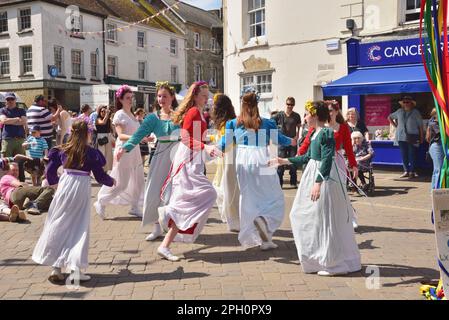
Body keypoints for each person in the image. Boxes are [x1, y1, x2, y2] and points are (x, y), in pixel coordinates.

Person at [269, 101, 361, 276]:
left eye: (307, 114)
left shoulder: (326, 133)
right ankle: (317, 258)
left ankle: (331, 263)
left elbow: (326, 160)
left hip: (323, 177)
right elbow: (307, 157)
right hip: (312, 173)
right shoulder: (315, 133)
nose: (304, 117)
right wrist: (284, 161)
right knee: (302, 214)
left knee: (325, 217)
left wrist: (318, 183)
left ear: (316, 115)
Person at [32, 120, 115, 283]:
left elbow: (50, 170)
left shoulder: (62, 150)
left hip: (65, 185)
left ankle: (55, 268)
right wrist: (111, 181)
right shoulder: (91, 153)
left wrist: (54, 182)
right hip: (81, 187)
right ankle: (75, 269)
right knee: (79, 227)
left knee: (58, 222)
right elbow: (99, 175)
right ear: (88, 134)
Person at [220, 91, 296, 250]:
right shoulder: (267, 123)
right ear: (257, 104)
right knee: (273, 196)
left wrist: (206, 150)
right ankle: (265, 221)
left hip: (242, 161)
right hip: (262, 158)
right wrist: (292, 141)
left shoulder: (233, 124)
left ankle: (262, 238)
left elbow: (224, 144)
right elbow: (278, 140)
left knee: (248, 198)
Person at [156, 81, 221, 261]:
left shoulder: (200, 113)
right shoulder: (193, 111)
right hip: (187, 159)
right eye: (203, 95)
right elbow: (185, 138)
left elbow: (196, 137)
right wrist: (206, 147)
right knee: (202, 195)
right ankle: (167, 219)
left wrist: (209, 146)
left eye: (207, 95)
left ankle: (166, 242)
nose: (206, 98)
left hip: (194, 159)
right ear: (195, 96)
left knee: (191, 198)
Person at [116, 82, 180, 242]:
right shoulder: (153, 118)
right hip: (160, 157)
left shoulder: (179, 115)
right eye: (159, 96)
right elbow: (139, 134)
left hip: (177, 156)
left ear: (172, 97)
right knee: (153, 191)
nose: (161, 99)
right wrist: (125, 148)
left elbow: (190, 134)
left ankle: (174, 228)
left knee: (174, 193)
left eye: (165, 96)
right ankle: (157, 227)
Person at [94, 85, 144, 219]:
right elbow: (120, 135)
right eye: (127, 98)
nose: (130, 100)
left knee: (138, 179)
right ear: (120, 99)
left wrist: (145, 137)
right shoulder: (119, 114)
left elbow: (136, 133)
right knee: (121, 182)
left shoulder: (131, 114)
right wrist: (139, 138)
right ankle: (101, 201)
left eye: (131, 97)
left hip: (135, 149)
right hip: (124, 150)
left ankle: (135, 206)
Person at [326, 100, 359, 230]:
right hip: (322, 161)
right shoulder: (320, 125)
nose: (328, 113)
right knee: (326, 193)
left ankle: (350, 217)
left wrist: (353, 165)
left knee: (341, 191)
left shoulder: (343, 127)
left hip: (337, 161)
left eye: (330, 110)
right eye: (326, 110)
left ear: (336, 112)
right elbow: (308, 143)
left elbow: (348, 148)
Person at [211, 93, 240, 232]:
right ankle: (230, 217)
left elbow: (228, 140)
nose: (212, 107)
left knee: (228, 186)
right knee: (223, 186)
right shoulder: (224, 122)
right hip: (225, 156)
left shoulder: (229, 122)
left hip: (230, 156)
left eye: (215, 105)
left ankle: (234, 219)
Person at [388, 95, 424, 178]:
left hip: (413, 136)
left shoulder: (416, 112)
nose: (406, 103)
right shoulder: (399, 111)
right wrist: (396, 126)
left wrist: (421, 137)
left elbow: (420, 126)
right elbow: (389, 117)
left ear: (411, 103)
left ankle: (412, 171)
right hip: (401, 136)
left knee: (412, 154)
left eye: (407, 102)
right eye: (404, 102)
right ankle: (406, 171)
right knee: (404, 155)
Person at [272, 97, 302, 188]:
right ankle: (279, 183)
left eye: (291, 105)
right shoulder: (279, 115)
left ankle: (293, 182)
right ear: (286, 104)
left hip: (292, 141)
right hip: (282, 142)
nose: (290, 106)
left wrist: (297, 135)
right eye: (288, 104)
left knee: (293, 162)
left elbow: (299, 126)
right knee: (280, 163)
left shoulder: (296, 115)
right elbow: (271, 122)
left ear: (294, 105)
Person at [0, 92, 27, 182]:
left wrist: (10, 120)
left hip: (20, 139)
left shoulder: (21, 110)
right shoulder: (2, 110)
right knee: (6, 163)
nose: (10, 101)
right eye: (8, 99)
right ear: (6, 101)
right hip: (8, 139)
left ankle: (21, 182)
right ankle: (6, 182)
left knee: (21, 163)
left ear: (15, 100)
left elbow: (23, 121)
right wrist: (16, 119)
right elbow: (3, 121)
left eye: (12, 99)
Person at [426, 108, 444, 190]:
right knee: (438, 169)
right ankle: (436, 191)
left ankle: (435, 190)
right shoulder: (433, 123)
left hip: (440, 146)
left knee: (438, 169)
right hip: (437, 146)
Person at [95, 105, 114, 172]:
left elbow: (112, 129)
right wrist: (107, 114)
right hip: (100, 137)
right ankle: (100, 169)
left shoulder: (109, 120)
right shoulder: (98, 119)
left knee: (108, 154)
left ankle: (105, 170)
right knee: (101, 153)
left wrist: (113, 137)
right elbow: (103, 122)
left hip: (107, 137)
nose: (103, 112)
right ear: (99, 112)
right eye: (102, 111)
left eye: (105, 111)